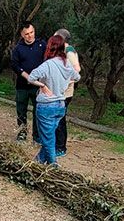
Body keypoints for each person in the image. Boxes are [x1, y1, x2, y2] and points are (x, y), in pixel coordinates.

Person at [26, 34, 79, 166]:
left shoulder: (47, 65)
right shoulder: (66, 63)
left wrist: (42, 85)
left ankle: (53, 166)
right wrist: (66, 83)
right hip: (60, 105)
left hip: (46, 106)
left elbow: (31, 77)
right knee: (49, 137)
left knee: (48, 140)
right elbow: (77, 76)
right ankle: (37, 162)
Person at [9, 21, 47, 142]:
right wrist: (29, 77)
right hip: (22, 85)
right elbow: (15, 66)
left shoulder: (42, 45)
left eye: (31, 33)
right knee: (21, 111)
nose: (30, 36)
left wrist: (39, 80)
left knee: (38, 111)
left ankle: (37, 136)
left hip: (38, 86)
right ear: (22, 34)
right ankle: (22, 133)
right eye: (26, 34)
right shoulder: (18, 49)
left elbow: (47, 63)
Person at [54, 28, 82, 156]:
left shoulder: (69, 51)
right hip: (59, 91)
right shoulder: (60, 50)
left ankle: (61, 147)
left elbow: (77, 69)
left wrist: (66, 81)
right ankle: (56, 144)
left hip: (65, 92)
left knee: (60, 119)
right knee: (57, 118)